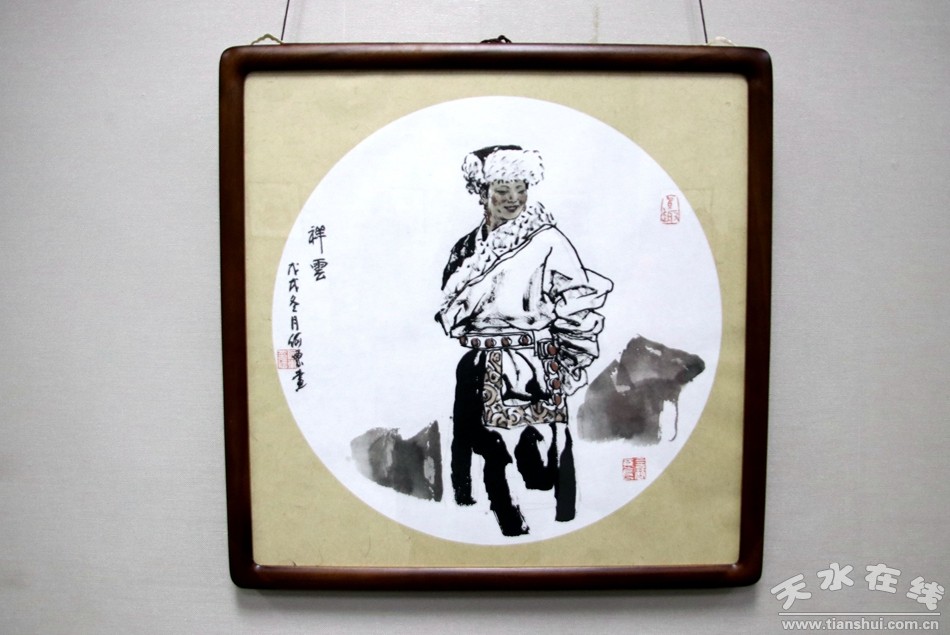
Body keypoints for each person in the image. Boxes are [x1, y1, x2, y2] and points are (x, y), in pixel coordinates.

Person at [436, 145, 613, 536]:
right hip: (477, 364)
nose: (513, 198)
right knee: (485, 451)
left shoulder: (549, 241)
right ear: (481, 192)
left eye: (521, 188)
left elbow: (578, 306)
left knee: (541, 459)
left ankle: (557, 527)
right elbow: (449, 311)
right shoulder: (465, 248)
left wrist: (568, 360)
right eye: (502, 189)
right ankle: (504, 527)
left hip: (532, 362)